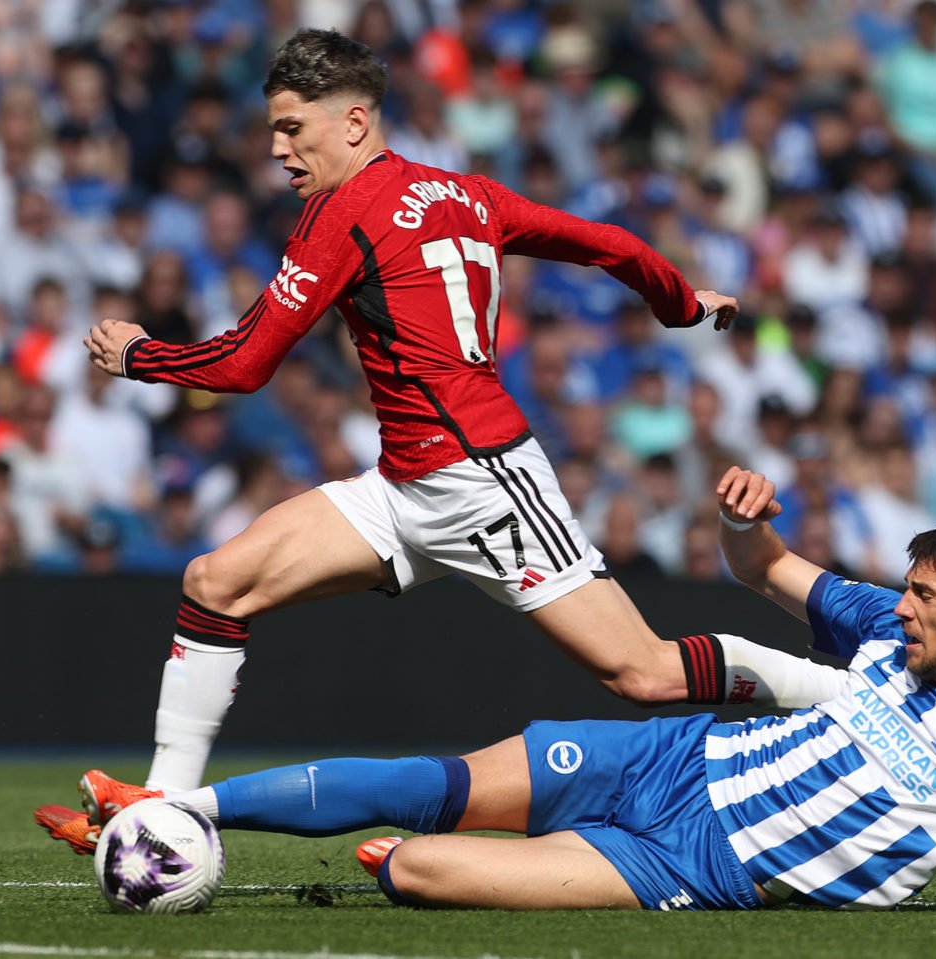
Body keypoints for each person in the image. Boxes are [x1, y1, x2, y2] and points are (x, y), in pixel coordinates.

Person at [46, 29, 843, 828]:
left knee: (643, 673)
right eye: (273, 131)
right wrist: (681, 302)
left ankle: (846, 692)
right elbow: (610, 243)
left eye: (293, 128)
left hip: (483, 480)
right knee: (216, 582)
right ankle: (158, 804)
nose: (279, 150)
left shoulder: (344, 211)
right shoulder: (467, 193)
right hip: (403, 485)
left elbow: (245, 364)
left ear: (354, 123)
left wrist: (141, 354)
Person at [40, 468, 936, 922]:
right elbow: (764, 567)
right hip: (669, 759)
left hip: (693, 858)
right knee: (438, 776)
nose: (903, 600)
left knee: (418, 873)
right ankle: (171, 805)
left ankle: (231, 829)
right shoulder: (882, 621)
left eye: (929, 591)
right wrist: (747, 521)